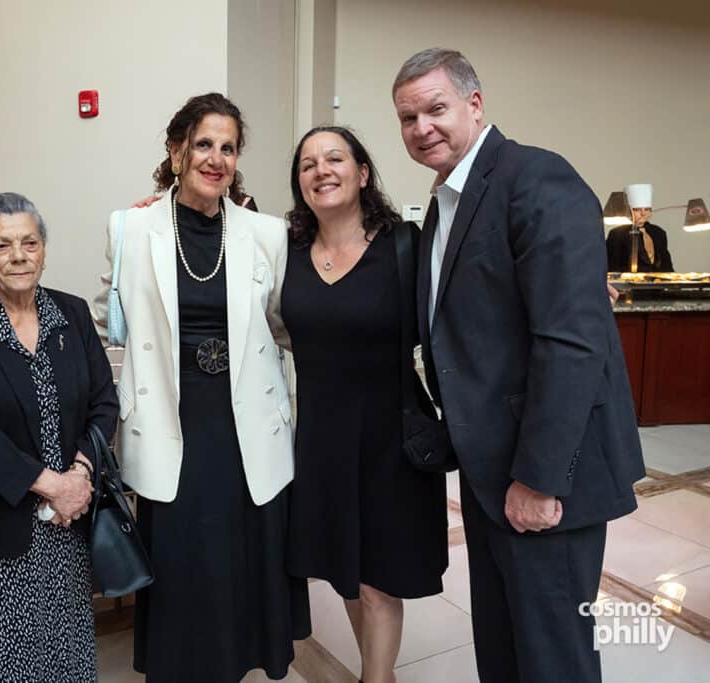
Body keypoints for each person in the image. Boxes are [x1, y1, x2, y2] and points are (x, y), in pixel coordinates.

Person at [391, 48, 644, 682]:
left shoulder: (536, 178)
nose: (422, 127)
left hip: (544, 471)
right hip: (489, 469)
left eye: (436, 108)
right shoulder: (444, 204)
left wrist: (539, 479)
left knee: (553, 657)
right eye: (407, 118)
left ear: (475, 105)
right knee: (503, 647)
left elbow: (571, 344)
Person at [92, 92, 311, 682]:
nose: (216, 158)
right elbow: (108, 319)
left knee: (241, 555)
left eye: (229, 148)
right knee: (184, 559)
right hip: (170, 419)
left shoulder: (265, 233)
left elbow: (286, 326)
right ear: (176, 150)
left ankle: (235, 663)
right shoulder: (131, 227)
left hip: (245, 421)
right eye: (204, 144)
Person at [283, 126, 447, 683]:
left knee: (378, 581)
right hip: (321, 438)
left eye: (334, 158)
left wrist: (562, 280)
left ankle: (375, 678)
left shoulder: (405, 244)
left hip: (390, 436)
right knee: (346, 573)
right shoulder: (286, 251)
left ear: (362, 173)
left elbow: (472, 289)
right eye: (308, 164)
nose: (321, 170)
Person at [0, 192, 117, 681]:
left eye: (30, 243)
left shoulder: (73, 314)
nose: (19, 256)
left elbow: (104, 403)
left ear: (44, 249)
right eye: (2, 246)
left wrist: (79, 475)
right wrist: (52, 485)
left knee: (64, 657)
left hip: (68, 524)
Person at [605, 183, 674, 272]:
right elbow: (612, 265)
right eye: (637, 210)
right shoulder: (617, 234)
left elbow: (666, 264)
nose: (643, 213)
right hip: (629, 280)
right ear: (629, 210)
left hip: (657, 280)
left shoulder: (659, 232)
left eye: (647, 209)